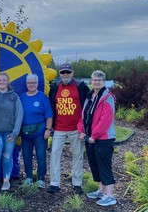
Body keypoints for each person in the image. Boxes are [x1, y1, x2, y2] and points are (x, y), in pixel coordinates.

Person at [48, 63, 90, 195]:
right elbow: (51, 105)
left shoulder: (81, 86)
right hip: (59, 127)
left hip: (76, 128)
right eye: (63, 72)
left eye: (68, 72)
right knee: (55, 154)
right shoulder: (54, 87)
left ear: (73, 73)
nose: (65, 74)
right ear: (59, 74)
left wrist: (85, 125)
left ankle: (77, 183)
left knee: (77, 156)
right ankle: (54, 183)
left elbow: (90, 103)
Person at [77, 70, 117, 206]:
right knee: (95, 165)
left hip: (103, 139)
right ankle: (101, 190)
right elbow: (83, 116)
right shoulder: (89, 96)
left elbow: (105, 120)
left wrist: (94, 136)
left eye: (100, 80)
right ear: (91, 81)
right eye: (94, 80)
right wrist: (81, 131)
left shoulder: (108, 97)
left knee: (105, 166)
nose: (97, 82)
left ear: (104, 82)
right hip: (90, 138)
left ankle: (110, 195)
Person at [20, 74, 53, 189]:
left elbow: (49, 115)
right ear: (26, 84)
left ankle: (41, 179)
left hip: (40, 132)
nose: (31, 85)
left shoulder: (42, 97)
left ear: (37, 84)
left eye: (33, 83)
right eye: (29, 83)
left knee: (41, 156)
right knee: (26, 156)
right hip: (25, 133)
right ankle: (28, 177)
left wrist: (48, 130)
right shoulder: (22, 97)